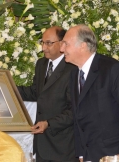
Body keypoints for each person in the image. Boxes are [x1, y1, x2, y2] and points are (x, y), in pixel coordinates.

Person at [60, 24, 119, 161]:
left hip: (114, 154)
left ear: (83, 45)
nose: (62, 49)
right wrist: (81, 153)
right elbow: (78, 116)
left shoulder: (113, 70)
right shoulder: (74, 73)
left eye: (66, 44)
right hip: (88, 155)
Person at [17, 26, 78, 162]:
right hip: (41, 144)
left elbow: (74, 110)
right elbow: (35, 92)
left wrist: (49, 124)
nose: (44, 48)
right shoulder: (41, 64)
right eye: (42, 42)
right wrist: (7, 88)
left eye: (49, 43)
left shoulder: (73, 68)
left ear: (62, 44)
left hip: (63, 145)